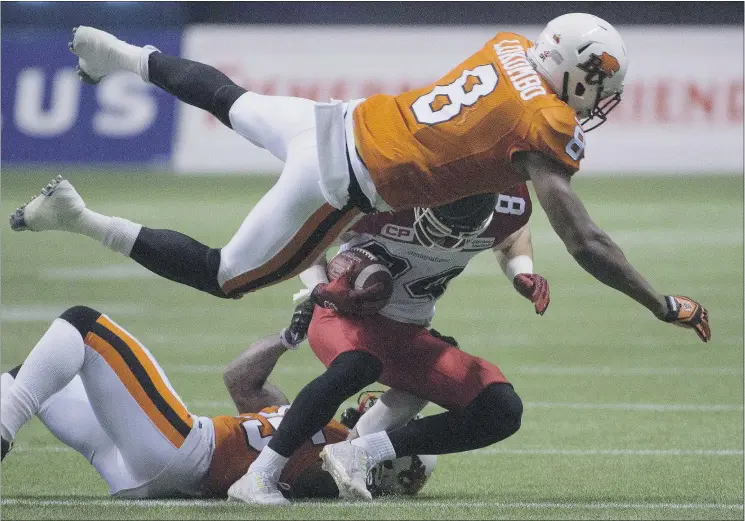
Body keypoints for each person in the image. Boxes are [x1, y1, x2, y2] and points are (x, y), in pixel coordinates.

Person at [9, 14, 710, 346]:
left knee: (230, 100)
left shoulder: (506, 48)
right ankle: (79, 216)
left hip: (337, 118)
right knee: (227, 277)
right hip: (341, 177)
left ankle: (125, 56)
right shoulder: (544, 121)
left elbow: (475, 158)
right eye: (600, 80)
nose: (599, 95)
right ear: (576, 66)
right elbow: (582, 237)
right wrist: (656, 302)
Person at [229, 184, 548, 504]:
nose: (450, 241)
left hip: (409, 334)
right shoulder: (385, 187)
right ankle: (260, 475)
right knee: (360, 364)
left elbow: (513, 235)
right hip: (345, 314)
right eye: (442, 228)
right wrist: (321, 289)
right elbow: (305, 234)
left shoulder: (509, 202)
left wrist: (522, 272)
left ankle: (360, 452)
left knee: (502, 409)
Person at [0, 302, 434, 502]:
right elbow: (240, 379)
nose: (365, 405)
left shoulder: (340, 457)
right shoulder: (311, 427)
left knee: (82, 324)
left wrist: (419, 347)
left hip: (184, 450)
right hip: (142, 474)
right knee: (35, 376)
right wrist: (287, 339)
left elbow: (406, 397)